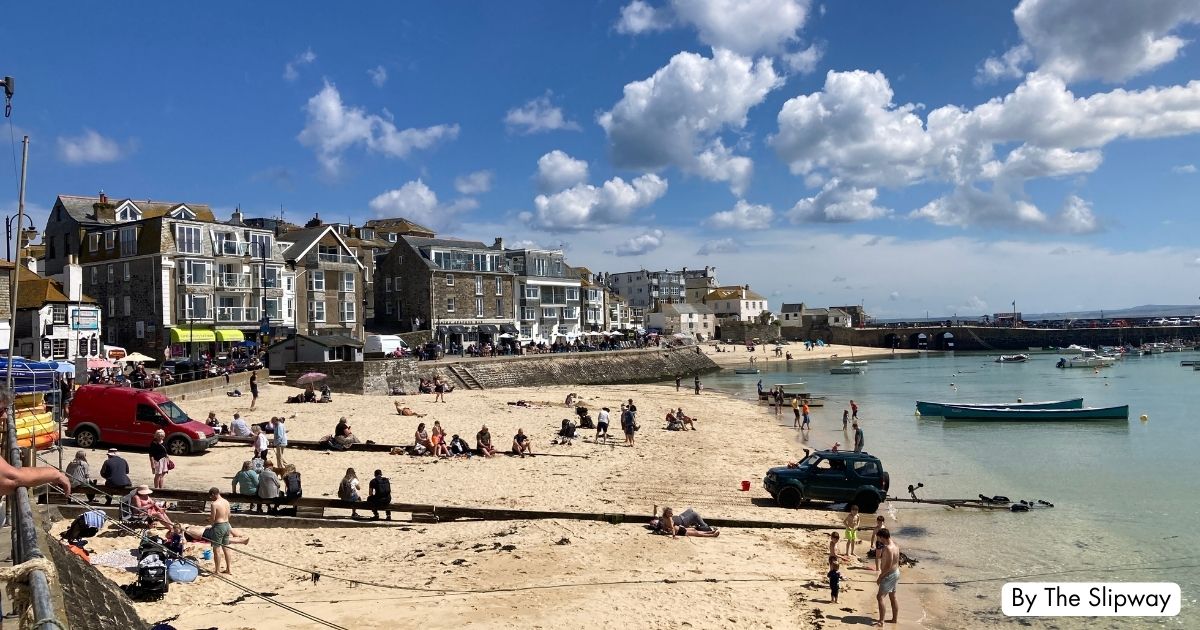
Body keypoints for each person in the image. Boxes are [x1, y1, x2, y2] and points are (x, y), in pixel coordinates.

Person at [875, 528, 900, 626]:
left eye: (879, 538)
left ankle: (881, 621)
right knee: (892, 596)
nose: (879, 541)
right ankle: (894, 619)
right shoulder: (896, 545)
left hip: (889, 574)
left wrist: (880, 577)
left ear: (882, 537)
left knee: (880, 597)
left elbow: (888, 566)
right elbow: (896, 562)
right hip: (896, 572)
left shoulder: (888, 548)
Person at [207, 487, 233, 574]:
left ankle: (217, 570)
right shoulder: (226, 502)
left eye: (211, 497)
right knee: (226, 548)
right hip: (227, 525)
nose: (212, 499)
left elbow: (213, 518)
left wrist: (208, 520)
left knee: (216, 549)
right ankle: (229, 569)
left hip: (219, 526)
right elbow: (229, 515)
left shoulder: (214, 504)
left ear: (213, 494)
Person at [653, 507, 719, 538]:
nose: (672, 514)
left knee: (694, 529)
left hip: (680, 525)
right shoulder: (667, 520)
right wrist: (673, 536)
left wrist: (655, 507)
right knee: (696, 532)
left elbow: (656, 515)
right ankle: (709, 531)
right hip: (681, 527)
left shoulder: (662, 518)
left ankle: (709, 532)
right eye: (670, 513)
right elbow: (672, 528)